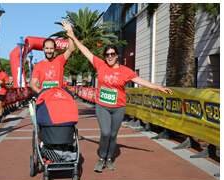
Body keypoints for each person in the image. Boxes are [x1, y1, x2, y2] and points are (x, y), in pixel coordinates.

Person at [62, 20, 173, 172]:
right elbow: (85, 50)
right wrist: (72, 35)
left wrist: (158, 87)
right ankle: (101, 158)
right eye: (107, 54)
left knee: (113, 135)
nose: (109, 56)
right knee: (106, 133)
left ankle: (109, 158)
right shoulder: (100, 65)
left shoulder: (125, 71)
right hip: (102, 106)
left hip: (119, 108)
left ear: (117, 55)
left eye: (112, 54)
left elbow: (140, 81)